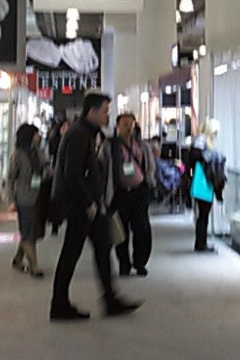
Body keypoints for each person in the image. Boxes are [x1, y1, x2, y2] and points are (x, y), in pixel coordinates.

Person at [50, 92, 141, 321]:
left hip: (89, 203)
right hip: (80, 205)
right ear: (92, 111)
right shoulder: (79, 135)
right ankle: (59, 304)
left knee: (102, 247)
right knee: (72, 251)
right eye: (104, 111)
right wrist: (88, 202)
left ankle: (110, 299)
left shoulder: (88, 133)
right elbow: (72, 174)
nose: (107, 116)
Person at [102, 113, 155, 277]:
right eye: (125, 124)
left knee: (142, 229)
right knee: (120, 231)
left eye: (131, 124)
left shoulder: (141, 145)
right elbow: (104, 168)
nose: (128, 128)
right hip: (120, 193)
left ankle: (140, 262)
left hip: (139, 191)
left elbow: (150, 165)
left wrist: (149, 182)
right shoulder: (110, 146)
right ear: (117, 126)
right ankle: (124, 263)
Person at [8, 124, 48, 278]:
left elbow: (45, 167)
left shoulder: (38, 151)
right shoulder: (18, 154)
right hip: (24, 197)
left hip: (39, 195)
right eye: (36, 134)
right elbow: (11, 178)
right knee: (28, 232)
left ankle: (18, 259)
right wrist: (11, 199)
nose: (39, 136)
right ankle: (34, 266)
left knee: (31, 231)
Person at [184, 117, 225, 252]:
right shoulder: (202, 142)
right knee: (203, 214)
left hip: (201, 180)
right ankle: (201, 243)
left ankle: (201, 242)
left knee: (203, 214)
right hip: (203, 181)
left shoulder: (200, 141)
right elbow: (197, 157)